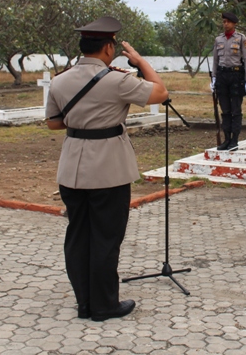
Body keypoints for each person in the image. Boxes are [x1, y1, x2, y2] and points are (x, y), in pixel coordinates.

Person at [45, 16, 168, 321]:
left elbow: (53, 123)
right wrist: (140, 61)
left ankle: (84, 303)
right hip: (108, 170)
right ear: (108, 47)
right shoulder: (117, 80)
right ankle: (104, 305)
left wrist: (82, 121)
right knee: (105, 238)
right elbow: (160, 93)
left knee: (77, 236)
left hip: (72, 167)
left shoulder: (59, 81)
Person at [211, 11, 246, 150]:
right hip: (222, 76)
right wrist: (214, 78)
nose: (225, 24)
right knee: (225, 110)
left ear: (234, 23)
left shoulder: (242, 39)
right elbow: (215, 61)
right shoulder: (218, 40)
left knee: (236, 109)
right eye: (224, 22)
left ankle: (235, 139)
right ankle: (226, 139)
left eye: (228, 22)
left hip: (236, 75)